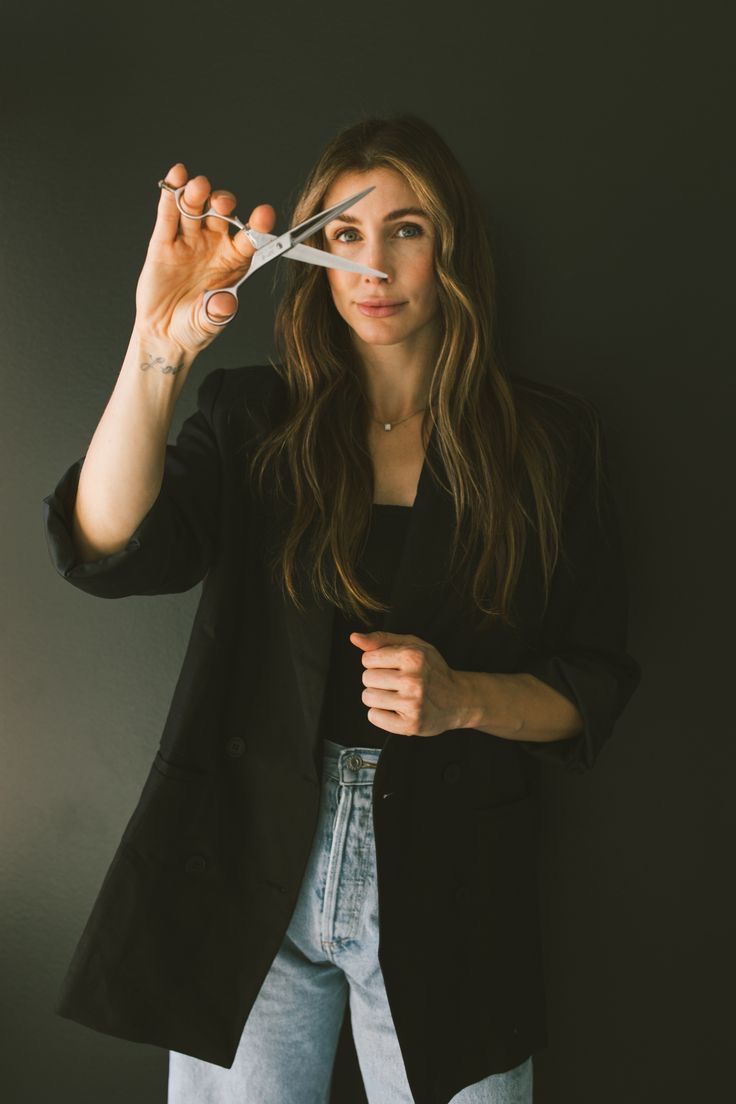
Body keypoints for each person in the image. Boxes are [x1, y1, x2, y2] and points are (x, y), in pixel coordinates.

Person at [42, 113, 642, 1104]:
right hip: (245, 858)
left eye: (407, 228)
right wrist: (157, 344)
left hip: (453, 877)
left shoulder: (547, 441)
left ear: (451, 247)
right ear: (312, 254)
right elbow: (108, 549)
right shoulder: (251, 417)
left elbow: (595, 684)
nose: (373, 263)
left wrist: (463, 699)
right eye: (344, 232)